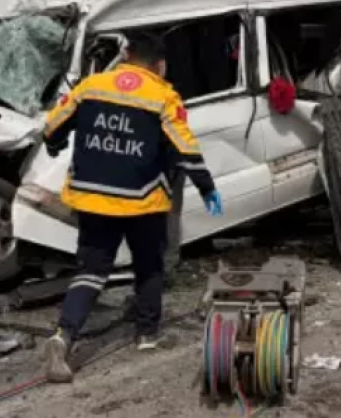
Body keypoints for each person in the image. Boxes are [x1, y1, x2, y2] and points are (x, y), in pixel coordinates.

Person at [39, 32, 223, 383]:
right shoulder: (163, 96)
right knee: (149, 265)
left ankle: (63, 336)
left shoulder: (91, 86)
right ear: (160, 64)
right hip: (142, 200)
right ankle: (146, 335)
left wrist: (54, 144)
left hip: (91, 196)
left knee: (91, 271)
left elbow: (52, 127)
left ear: (126, 56)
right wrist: (207, 186)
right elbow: (184, 146)